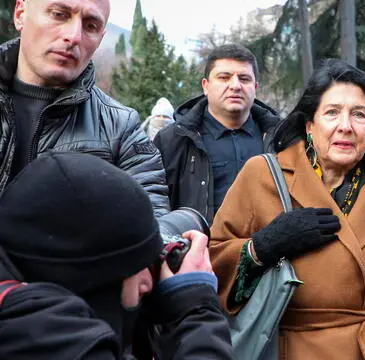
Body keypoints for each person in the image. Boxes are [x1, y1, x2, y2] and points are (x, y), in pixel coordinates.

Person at [209, 59, 365, 360]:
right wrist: (263, 246)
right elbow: (213, 264)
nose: (345, 126)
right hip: (284, 348)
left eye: (359, 115)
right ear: (309, 124)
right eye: (332, 113)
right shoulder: (261, 175)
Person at [0, 151, 233, 359]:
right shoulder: (74, 348)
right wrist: (195, 310)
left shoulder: (18, 321)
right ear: (93, 281)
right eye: (137, 265)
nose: (149, 283)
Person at [0, 0, 169, 215]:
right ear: (20, 14)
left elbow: (153, 220)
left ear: (101, 38)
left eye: (91, 26)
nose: (74, 36)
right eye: (59, 14)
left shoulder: (121, 128)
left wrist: (184, 223)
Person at [154, 44, 281, 223]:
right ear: (205, 86)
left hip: (269, 248)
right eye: (224, 77)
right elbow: (155, 204)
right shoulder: (174, 140)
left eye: (244, 78)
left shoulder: (281, 139)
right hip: (199, 248)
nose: (235, 86)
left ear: (256, 87)